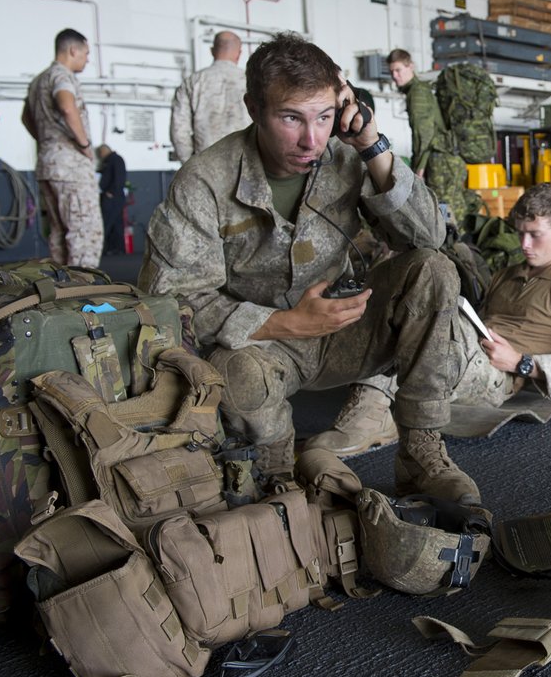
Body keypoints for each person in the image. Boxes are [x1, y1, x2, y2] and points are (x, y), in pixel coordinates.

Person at [139, 33, 479, 504]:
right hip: (265, 347)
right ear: (254, 108)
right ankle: (278, 472)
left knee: (434, 271)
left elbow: (426, 240)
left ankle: (420, 451)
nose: (311, 139)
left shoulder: (343, 156)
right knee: (235, 374)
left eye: (323, 117)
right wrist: (285, 323)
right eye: (291, 118)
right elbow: (172, 302)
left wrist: (369, 141)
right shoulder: (205, 181)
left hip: (343, 330)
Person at [311, 183, 551, 446]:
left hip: (500, 374)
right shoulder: (508, 274)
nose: (524, 244)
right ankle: (367, 405)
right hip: (470, 350)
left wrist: (521, 362)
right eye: (520, 233)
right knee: (405, 311)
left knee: (420, 328)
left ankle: (369, 415)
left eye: (535, 235)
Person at [22, 28, 102, 267]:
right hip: (70, 168)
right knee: (83, 233)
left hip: (48, 163)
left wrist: (47, 140)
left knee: (58, 232)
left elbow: (26, 117)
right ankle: (82, 292)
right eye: (86, 53)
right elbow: (67, 105)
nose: (87, 59)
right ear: (72, 50)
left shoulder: (38, 81)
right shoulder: (62, 76)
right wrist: (83, 143)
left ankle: (60, 293)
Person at [388, 49, 471, 227]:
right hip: (444, 159)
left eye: (398, 70)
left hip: (439, 161)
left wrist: (419, 168)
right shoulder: (419, 90)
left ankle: (456, 252)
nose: (395, 76)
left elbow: (423, 135)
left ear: (411, 66)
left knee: (445, 216)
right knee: (448, 212)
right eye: (392, 72)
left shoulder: (417, 93)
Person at [170, 31, 250, 162]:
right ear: (239, 54)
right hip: (246, 165)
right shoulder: (251, 82)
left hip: (205, 166)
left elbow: (179, 131)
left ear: (212, 51)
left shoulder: (192, 82)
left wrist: (190, 166)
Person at [97, 144, 127, 255]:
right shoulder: (110, 161)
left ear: (105, 151)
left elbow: (119, 178)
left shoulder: (116, 160)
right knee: (116, 224)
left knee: (106, 223)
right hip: (115, 197)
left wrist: (112, 192)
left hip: (113, 197)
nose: (99, 155)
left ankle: (105, 248)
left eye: (100, 152)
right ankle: (117, 248)